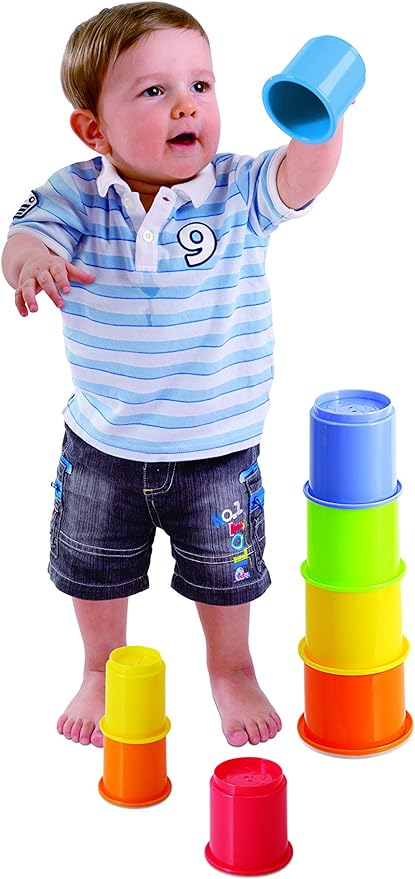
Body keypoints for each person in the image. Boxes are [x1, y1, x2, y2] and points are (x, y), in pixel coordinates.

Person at [2, 2, 344, 748]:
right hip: (104, 442)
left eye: (200, 84)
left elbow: (303, 175)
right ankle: (99, 667)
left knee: (226, 575)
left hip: (218, 445)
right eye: (154, 91)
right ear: (94, 130)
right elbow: (23, 236)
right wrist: (32, 263)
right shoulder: (75, 191)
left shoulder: (237, 189)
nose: (187, 104)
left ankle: (231, 669)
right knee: (93, 569)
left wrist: (322, 115)